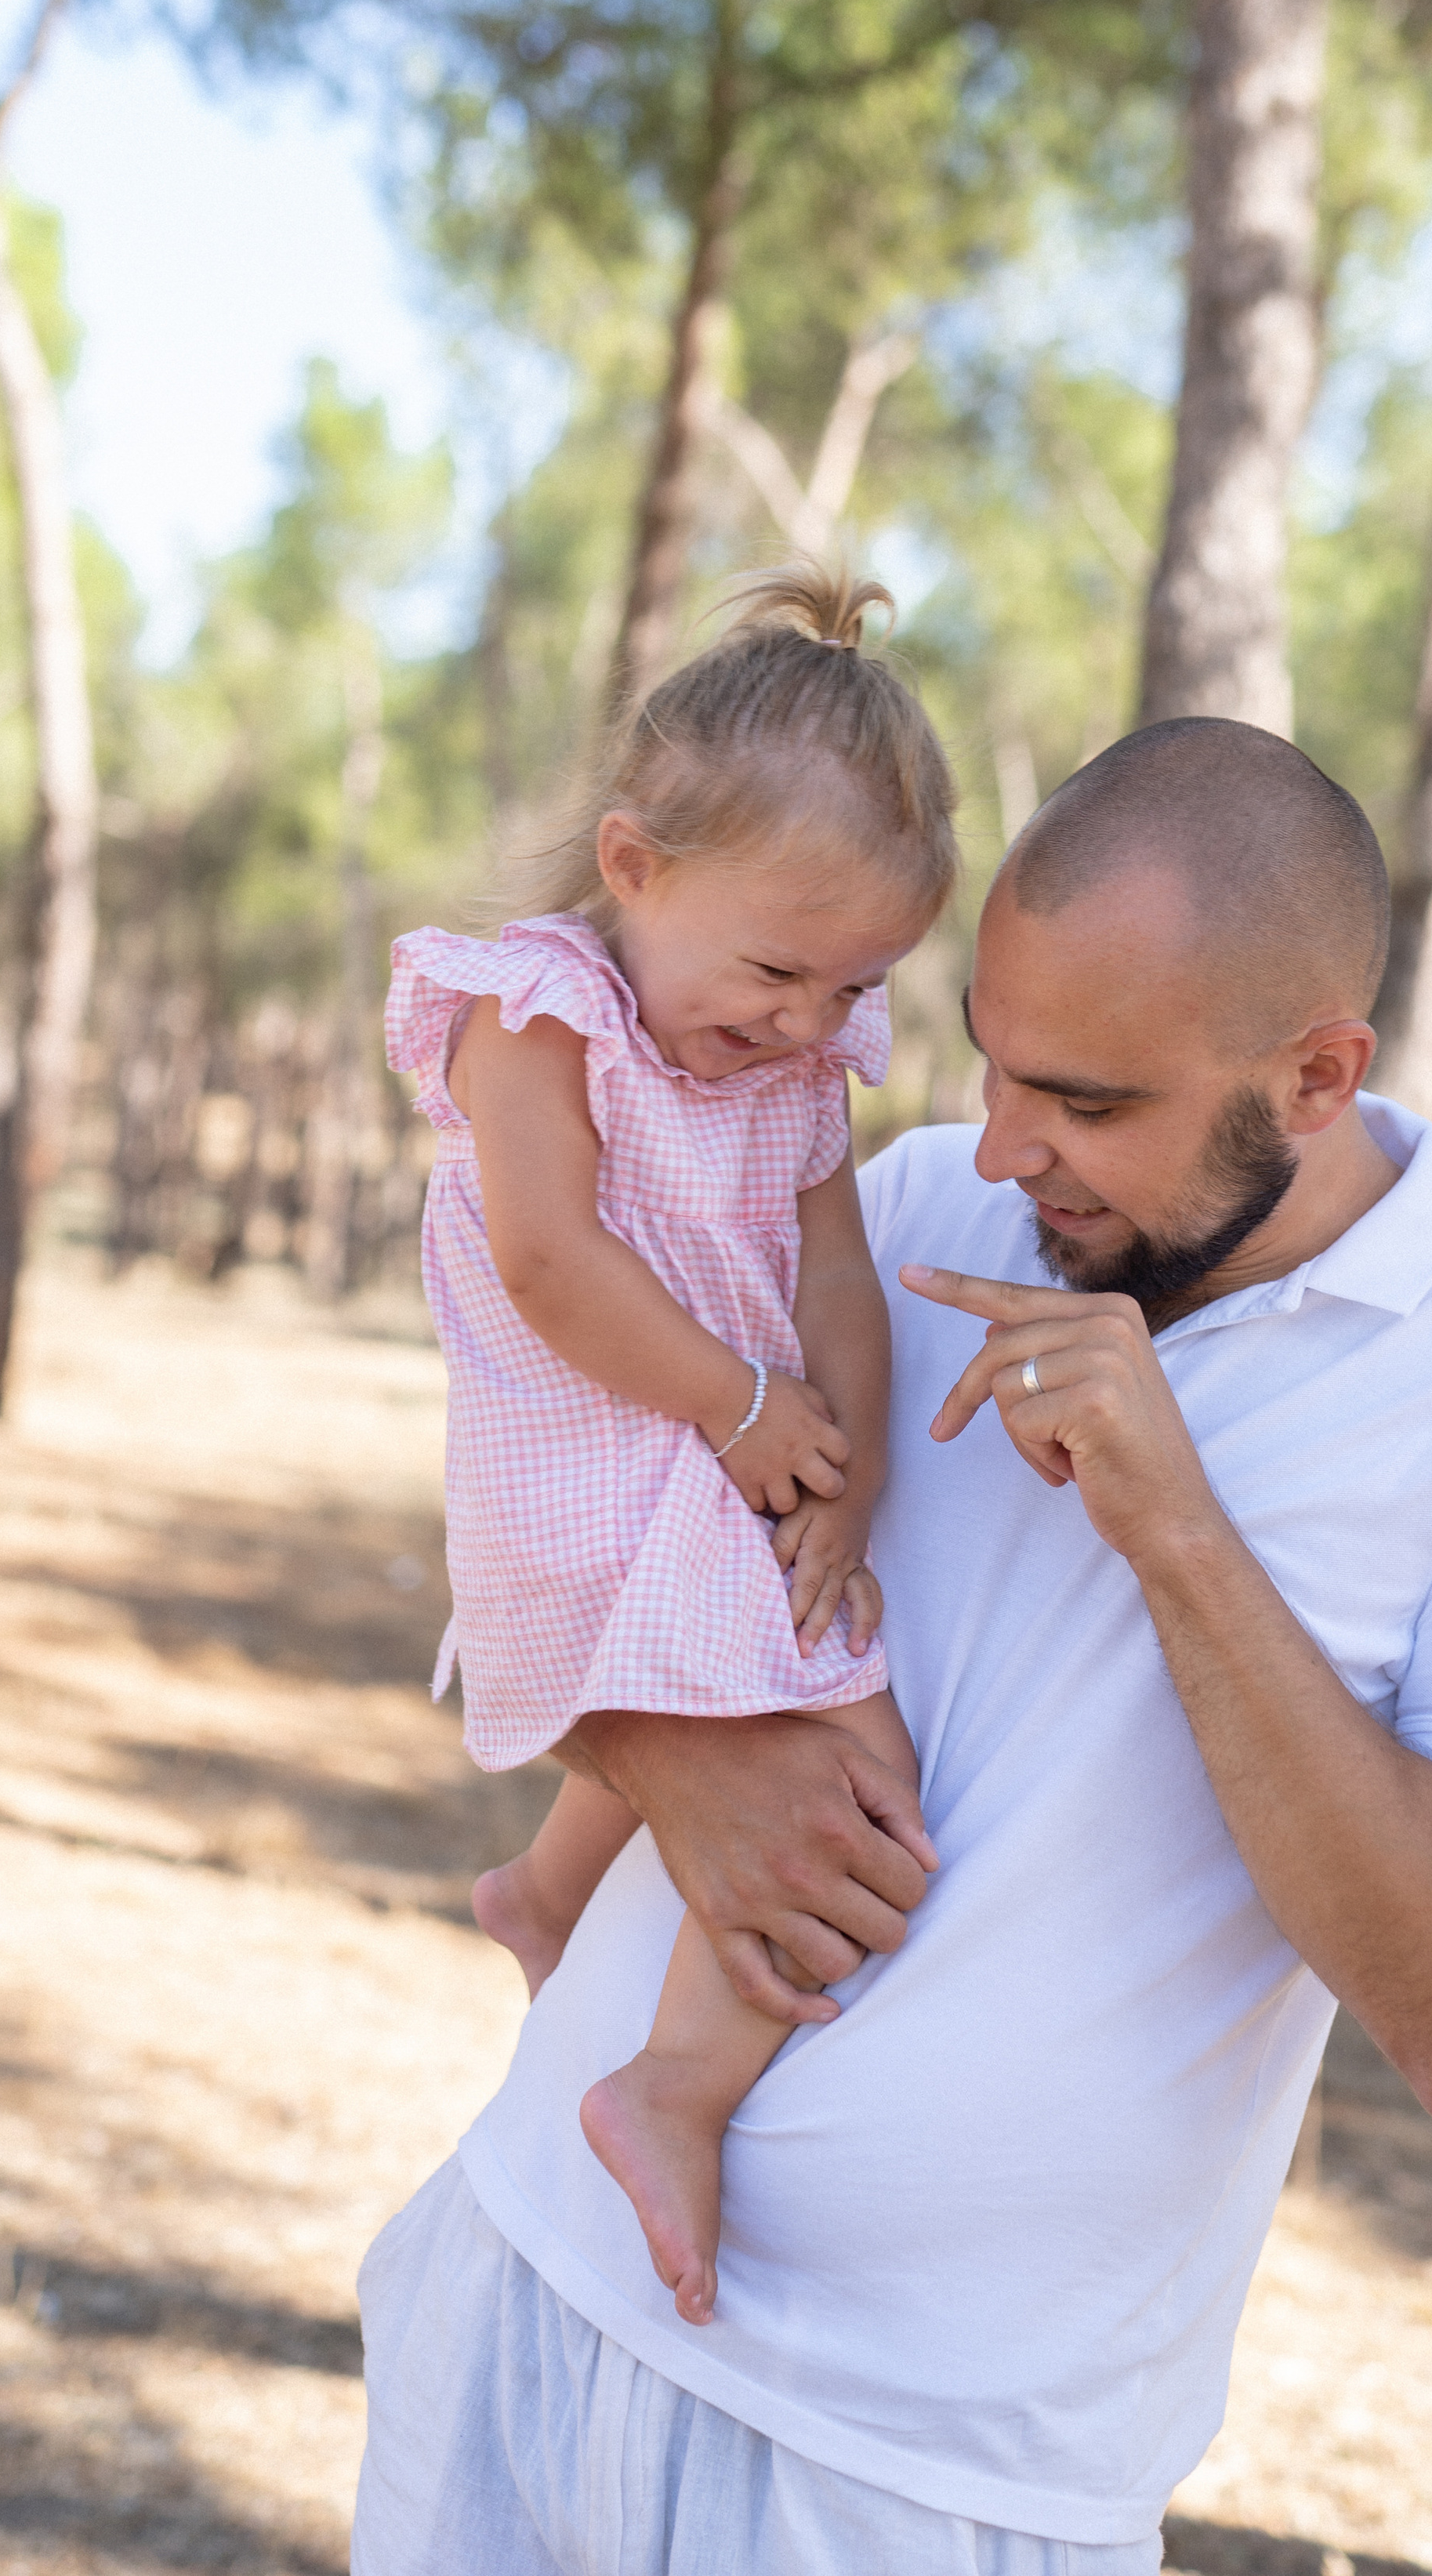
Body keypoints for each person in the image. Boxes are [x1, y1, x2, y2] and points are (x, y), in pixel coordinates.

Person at [355, 717, 1432, 2576]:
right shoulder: (905, 1220)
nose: (997, 1149)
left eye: (1084, 1102)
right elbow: (563, 1520)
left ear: (1315, 1075)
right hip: (526, 2294)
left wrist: (1178, 1534)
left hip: (931, 2483)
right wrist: (669, 1764)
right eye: (986, 1066)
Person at [383, 564, 957, 2328]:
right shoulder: (536, 1009)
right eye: (779, 967)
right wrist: (740, 1409)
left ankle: (542, 1896)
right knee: (861, 1777)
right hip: (591, 1457)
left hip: (705, 1453)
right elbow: (551, 1257)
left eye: (852, 982)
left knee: (737, 1683)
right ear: (633, 864)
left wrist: (844, 1455)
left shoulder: (790, 1065)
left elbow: (833, 1271)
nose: (805, 1021)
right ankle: (673, 2090)